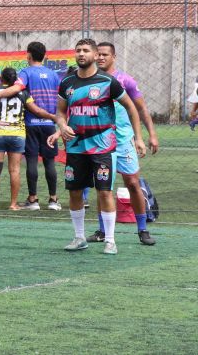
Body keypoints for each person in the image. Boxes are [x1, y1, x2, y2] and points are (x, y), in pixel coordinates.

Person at [48, 38, 146, 255]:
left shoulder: (108, 81)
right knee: (75, 192)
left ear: (94, 55)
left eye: (86, 50)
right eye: (78, 50)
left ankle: (110, 241)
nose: (81, 54)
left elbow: (131, 107)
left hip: (103, 146)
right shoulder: (67, 82)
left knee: (104, 192)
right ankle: (79, 237)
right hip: (76, 146)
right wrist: (62, 126)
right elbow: (60, 112)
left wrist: (138, 137)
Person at [88, 42, 159, 246]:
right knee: (103, 187)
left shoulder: (125, 80)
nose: (101, 58)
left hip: (123, 141)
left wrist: (148, 136)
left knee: (133, 183)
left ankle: (142, 229)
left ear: (114, 57)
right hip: (100, 142)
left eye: (105, 54)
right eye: (98, 54)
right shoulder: (90, 81)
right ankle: (102, 231)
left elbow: (141, 109)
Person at [0, 42, 63, 211]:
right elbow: (60, 97)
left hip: (30, 123)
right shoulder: (53, 75)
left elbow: (17, 88)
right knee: (50, 162)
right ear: (44, 55)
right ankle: (53, 199)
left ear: (28, 55)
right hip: (49, 123)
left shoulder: (26, 73)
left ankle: (33, 199)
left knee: (32, 161)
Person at [0, 67, 55, 210]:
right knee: (14, 170)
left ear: (1, 78)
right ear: (15, 80)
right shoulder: (24, 93)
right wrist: (52, 116)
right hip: (17, 134)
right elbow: (37, 110)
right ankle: (13, 204)